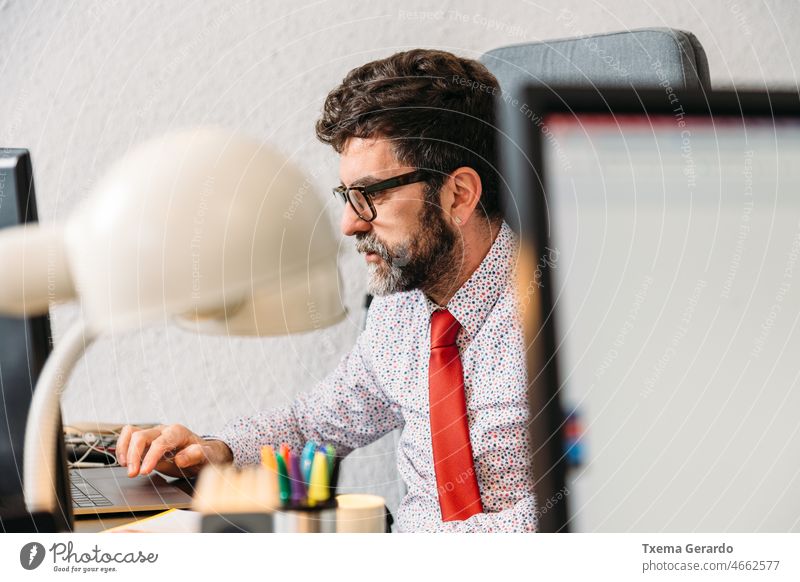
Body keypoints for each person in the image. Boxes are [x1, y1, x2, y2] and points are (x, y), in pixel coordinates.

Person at [116, 49, 536, 532]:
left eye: (372, 194)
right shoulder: (398, 310)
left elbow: (591, 511)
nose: (349, 223)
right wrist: (215, 450)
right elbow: (315, 423)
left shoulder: (570, 314)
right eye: (346, 196)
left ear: (458, 194)